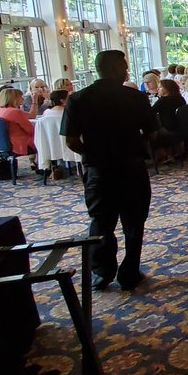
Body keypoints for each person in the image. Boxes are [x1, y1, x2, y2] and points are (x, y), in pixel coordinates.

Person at [62, 50, 158, 291]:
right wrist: (132, 142)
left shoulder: (78, 99)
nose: (127, 71)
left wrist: (92, 153)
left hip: (99, 169)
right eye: (124, 67)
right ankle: (129, 273)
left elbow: (71, 140)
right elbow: (152, 133)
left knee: (101, 221)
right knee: (134, 223)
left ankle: (102, 272)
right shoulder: (135, 98)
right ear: (116, 69)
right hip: (131, 167)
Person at [0, 88, 36, 156]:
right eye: (20, 97)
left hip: (5, 143)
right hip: (20, 143)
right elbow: (31, 130)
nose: (23, 98)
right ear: (14, 99)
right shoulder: (15, 112)